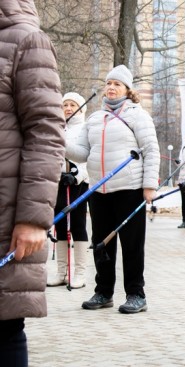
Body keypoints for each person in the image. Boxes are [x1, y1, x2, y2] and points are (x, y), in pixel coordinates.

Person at [0, 1, 66, 364]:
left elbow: (46, 133)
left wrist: (33, 219)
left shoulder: (26, 39)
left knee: (4, 325)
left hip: (6, 217)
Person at [66, 64, 160, 314]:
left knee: (132, 245)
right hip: (99, 191)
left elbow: (151, 150)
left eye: (117, 84)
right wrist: (60, 142)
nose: (111, 87)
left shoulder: (138, 115)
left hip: (129, 189)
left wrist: (150, 186)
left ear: (127, 90)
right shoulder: (95, 118)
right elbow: (83, 153)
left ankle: (136, 294)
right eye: (108, 83)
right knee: (101, 243)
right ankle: (103, 292)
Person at [47, 93, 90, 289]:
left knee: (78, 225)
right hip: (58, 182)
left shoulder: (85, 128)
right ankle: (61, 272)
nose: (69, 108)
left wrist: (76, 175)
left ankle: (79, 273)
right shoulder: (57, 128)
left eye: (73, 105)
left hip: (78, 183)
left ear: (81, 109)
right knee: (60, 226)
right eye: (65, 104)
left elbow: (89, 157)